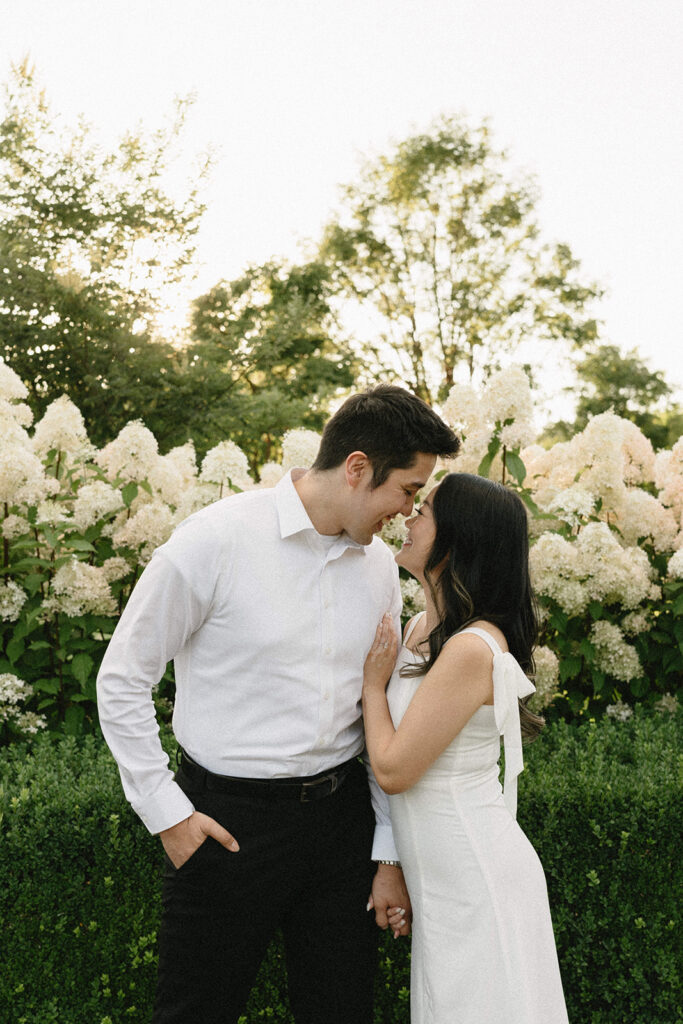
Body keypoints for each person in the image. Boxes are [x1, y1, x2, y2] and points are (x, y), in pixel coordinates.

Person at [96, 384, 460, 1024]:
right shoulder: (213, 541)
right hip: (226, 823)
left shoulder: (377, 566)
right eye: (406, 490)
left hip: (338, 826)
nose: (407, 513)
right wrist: (168, 816)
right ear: (356, 468)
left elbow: (375, 710)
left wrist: (385, 850)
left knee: (341, 1011)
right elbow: (122, 678)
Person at [362, 472, 569, 1024]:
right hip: (440, 882)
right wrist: (393, 861)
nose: (408, 516)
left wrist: (369, 687)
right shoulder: (419, 629)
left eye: (423, 510)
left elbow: (393, 769)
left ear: (457, 540)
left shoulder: (473, 648)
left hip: (479, 878)